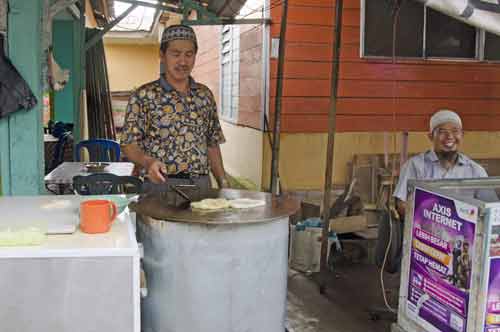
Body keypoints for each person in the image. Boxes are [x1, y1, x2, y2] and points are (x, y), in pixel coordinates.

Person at [121, 24, 229, 192]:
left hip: (200, 186)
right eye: (176, 54)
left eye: (189, 54)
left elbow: (212, 143)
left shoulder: (204, 95)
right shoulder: (144, 96)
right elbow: (128, 144)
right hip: (160, 185)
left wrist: (223, 182)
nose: (183, 62)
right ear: (162, 55)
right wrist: (148, 162)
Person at [393, 109, 493, 218]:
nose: (449, 136)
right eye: (442, 131)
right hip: (424, 232)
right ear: (431, 136)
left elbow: (490, 208)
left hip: (466, 233)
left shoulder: (475, 170)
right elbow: (402, 205)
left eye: (455, 131)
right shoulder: (415, 165)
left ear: (462, 135)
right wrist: (433, 219)